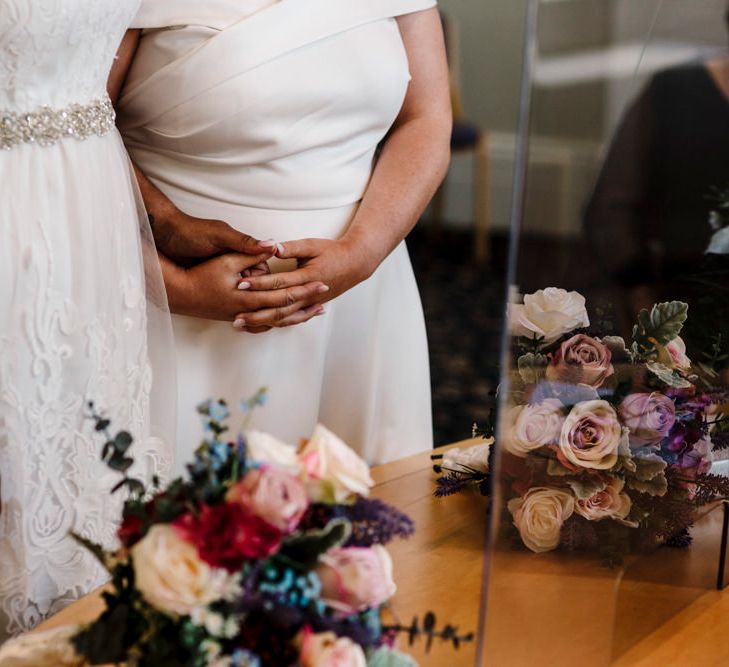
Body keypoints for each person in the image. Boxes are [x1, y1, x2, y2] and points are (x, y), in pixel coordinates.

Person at [113, 0, 452, 466]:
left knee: (356, 520)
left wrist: (363, 251)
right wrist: (172, 285)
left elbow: (426, 119)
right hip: (177, 304)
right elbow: (72, 132)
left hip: (360, 302)